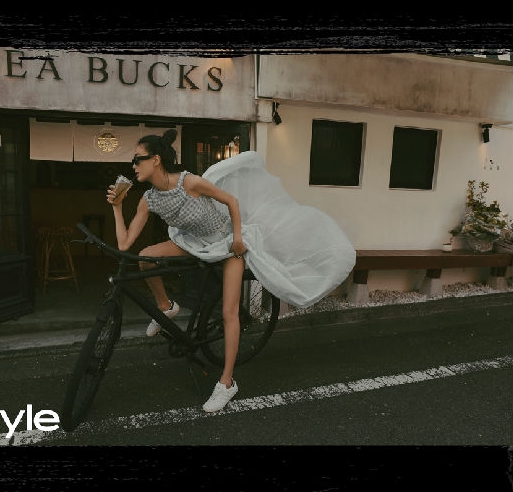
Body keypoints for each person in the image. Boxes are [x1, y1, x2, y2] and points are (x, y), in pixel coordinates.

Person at [106, 128, 356, 413]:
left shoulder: (189, 182)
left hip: (225, 242)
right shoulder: (149, 199)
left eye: (138, 159)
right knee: (145, 258)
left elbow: (232, 202)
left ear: (156, 160)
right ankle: (166, 307)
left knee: (228, 312)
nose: (133, 166)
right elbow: (125, 243)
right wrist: (117, 207)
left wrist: (237, 238)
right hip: (192, 242)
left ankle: (226, 383)